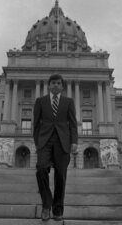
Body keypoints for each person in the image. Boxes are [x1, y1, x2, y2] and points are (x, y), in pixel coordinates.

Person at [33, 74, 78, 221]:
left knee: (60, 176)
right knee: (41, 169)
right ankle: (47, 205)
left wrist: (74, 141)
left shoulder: (68, 102)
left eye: (59, 83)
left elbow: (72, 123)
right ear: (49, 85)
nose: (56, 85)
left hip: (62, 142)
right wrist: (37, 142)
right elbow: (36, 123)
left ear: (62, 86)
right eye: (53, 83)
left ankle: (57, 210)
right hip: (45, 141)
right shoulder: (40, 101)